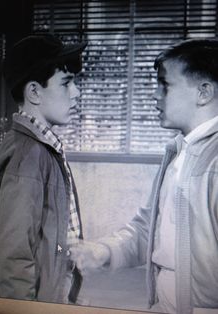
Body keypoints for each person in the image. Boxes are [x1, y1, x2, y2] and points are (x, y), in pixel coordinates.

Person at [70, 38, 218, 314]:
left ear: (203, 92)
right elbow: (149, 229)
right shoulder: (178, 152)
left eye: (165, 84)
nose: (155, 94)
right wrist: (103, 251)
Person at [0, 34, 87, 303]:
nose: (76, 92)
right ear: (34, 92)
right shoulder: (29, 154)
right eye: (66, 83)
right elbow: (13, 255)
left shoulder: (40, 147)